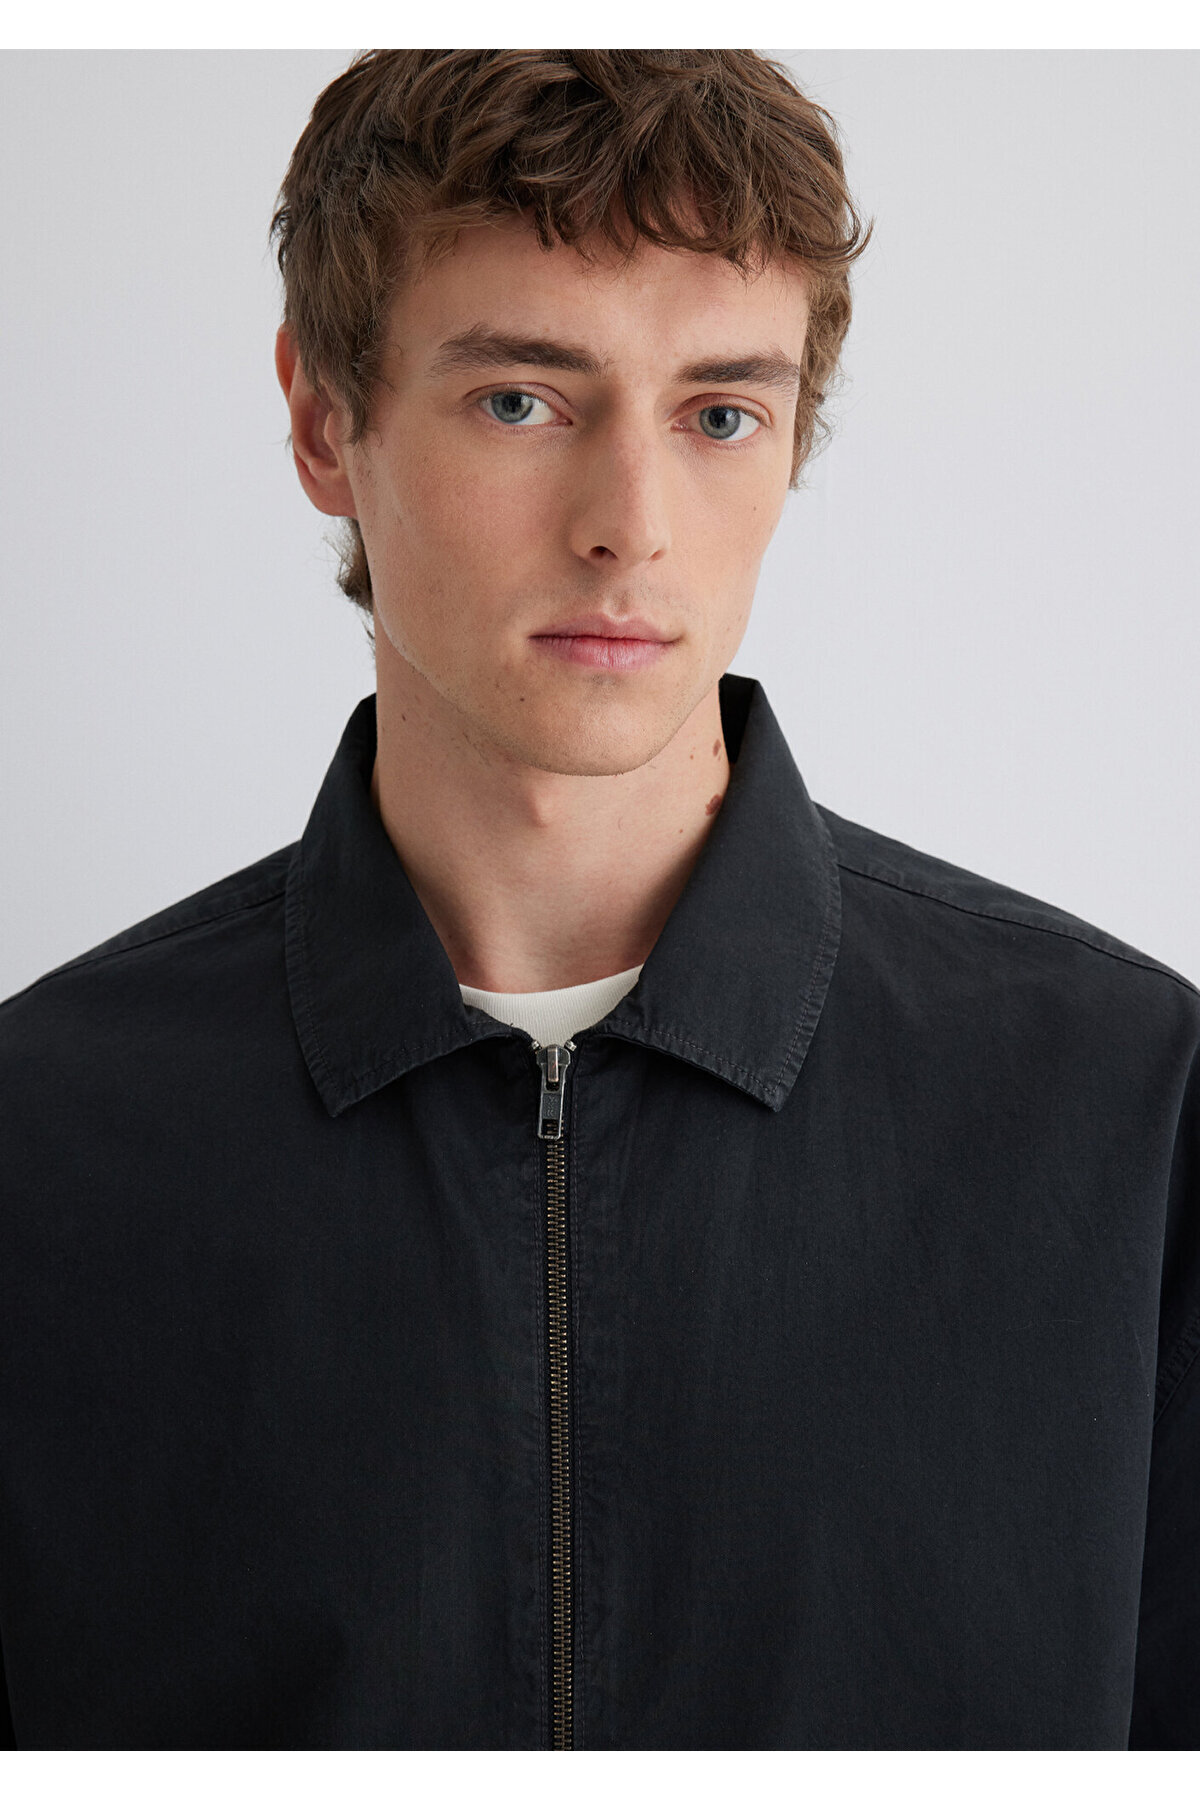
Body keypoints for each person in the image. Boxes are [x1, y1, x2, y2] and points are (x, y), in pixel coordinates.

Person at [0, 48, 1196, 1752]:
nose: (631, 526)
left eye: (720, 414)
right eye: (522, 401)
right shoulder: (45, 1135)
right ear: (325, 421)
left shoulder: (1129, 1105)